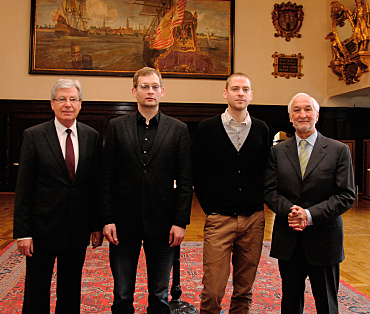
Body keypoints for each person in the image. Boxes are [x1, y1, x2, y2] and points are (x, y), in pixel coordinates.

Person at [100, 67, 192, 314]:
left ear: (162, 91)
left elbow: (185, 180)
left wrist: (180, 221)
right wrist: (107, 219)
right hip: (122, 222)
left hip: (163, 224)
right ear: (134, 91)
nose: (150, 91)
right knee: (121, 295)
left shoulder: (178, 129)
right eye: (144, 86)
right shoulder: (117, 127)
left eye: (154, 86)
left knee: (159, 296)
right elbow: (106, 176)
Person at [13, 79, 103, 314]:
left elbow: (94, 186)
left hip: (77, 230)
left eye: (73, 99)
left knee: (71, 290)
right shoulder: (33, 136)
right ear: (52, 104)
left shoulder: (91, 137)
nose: (68, 104)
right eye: (62, 99)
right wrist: (23, 233)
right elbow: (23, 187)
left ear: (81, 104)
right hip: (41, 229)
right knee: (37, 291)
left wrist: (96, 225)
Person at [264, 93, 356, 314]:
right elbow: (269, 191)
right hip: (289, 240)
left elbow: (346, 195)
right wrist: (293, 213)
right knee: (290, 303)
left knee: (327, 304)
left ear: (317, 114)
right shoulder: (277, 152)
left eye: (307, 109)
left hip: (324, 240)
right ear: (290, 117)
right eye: (297, 110)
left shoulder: (338, 150)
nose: (302, 114)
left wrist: (309, 214)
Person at [193, 72, 269, 313]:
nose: (240, 93)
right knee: (213, 289)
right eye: (235, 89)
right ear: (225, 93)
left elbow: (265, 170)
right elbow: (198, 173)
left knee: (244, 288)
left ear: (251, 95)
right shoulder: (207, 128)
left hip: (253, 220)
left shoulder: (261, 129)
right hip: (219, 219)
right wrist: (211, 207)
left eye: (245, 89)